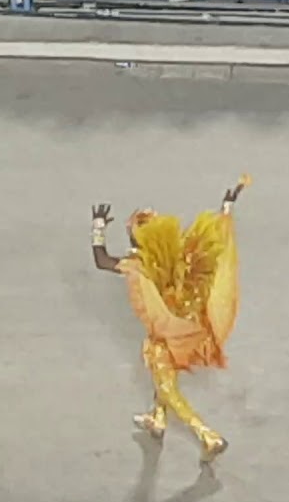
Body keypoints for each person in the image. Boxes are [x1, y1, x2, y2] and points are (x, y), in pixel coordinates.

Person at [90, 175, 250, 466]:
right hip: (189, 325)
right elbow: (214, 241)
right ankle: (157, 419)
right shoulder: (178, 256)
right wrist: (226, 207)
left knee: (167, 386)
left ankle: (207, 435)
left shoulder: (136, 265)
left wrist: (97, 228)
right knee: (164, 377)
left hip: (167, 336)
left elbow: (101, 261)